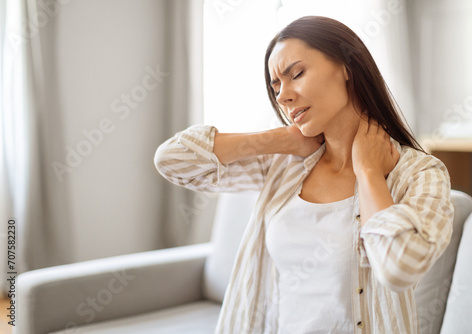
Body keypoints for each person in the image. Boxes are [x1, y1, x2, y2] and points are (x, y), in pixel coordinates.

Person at [154, 16, 454, 334]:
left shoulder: (420, 174)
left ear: (346, 65)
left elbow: (400, 268)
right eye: (276, 86)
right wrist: (281, 139)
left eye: (296, 74)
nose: (283, 95)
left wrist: (368, 172)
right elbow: (171, 160)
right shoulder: (284, 166)